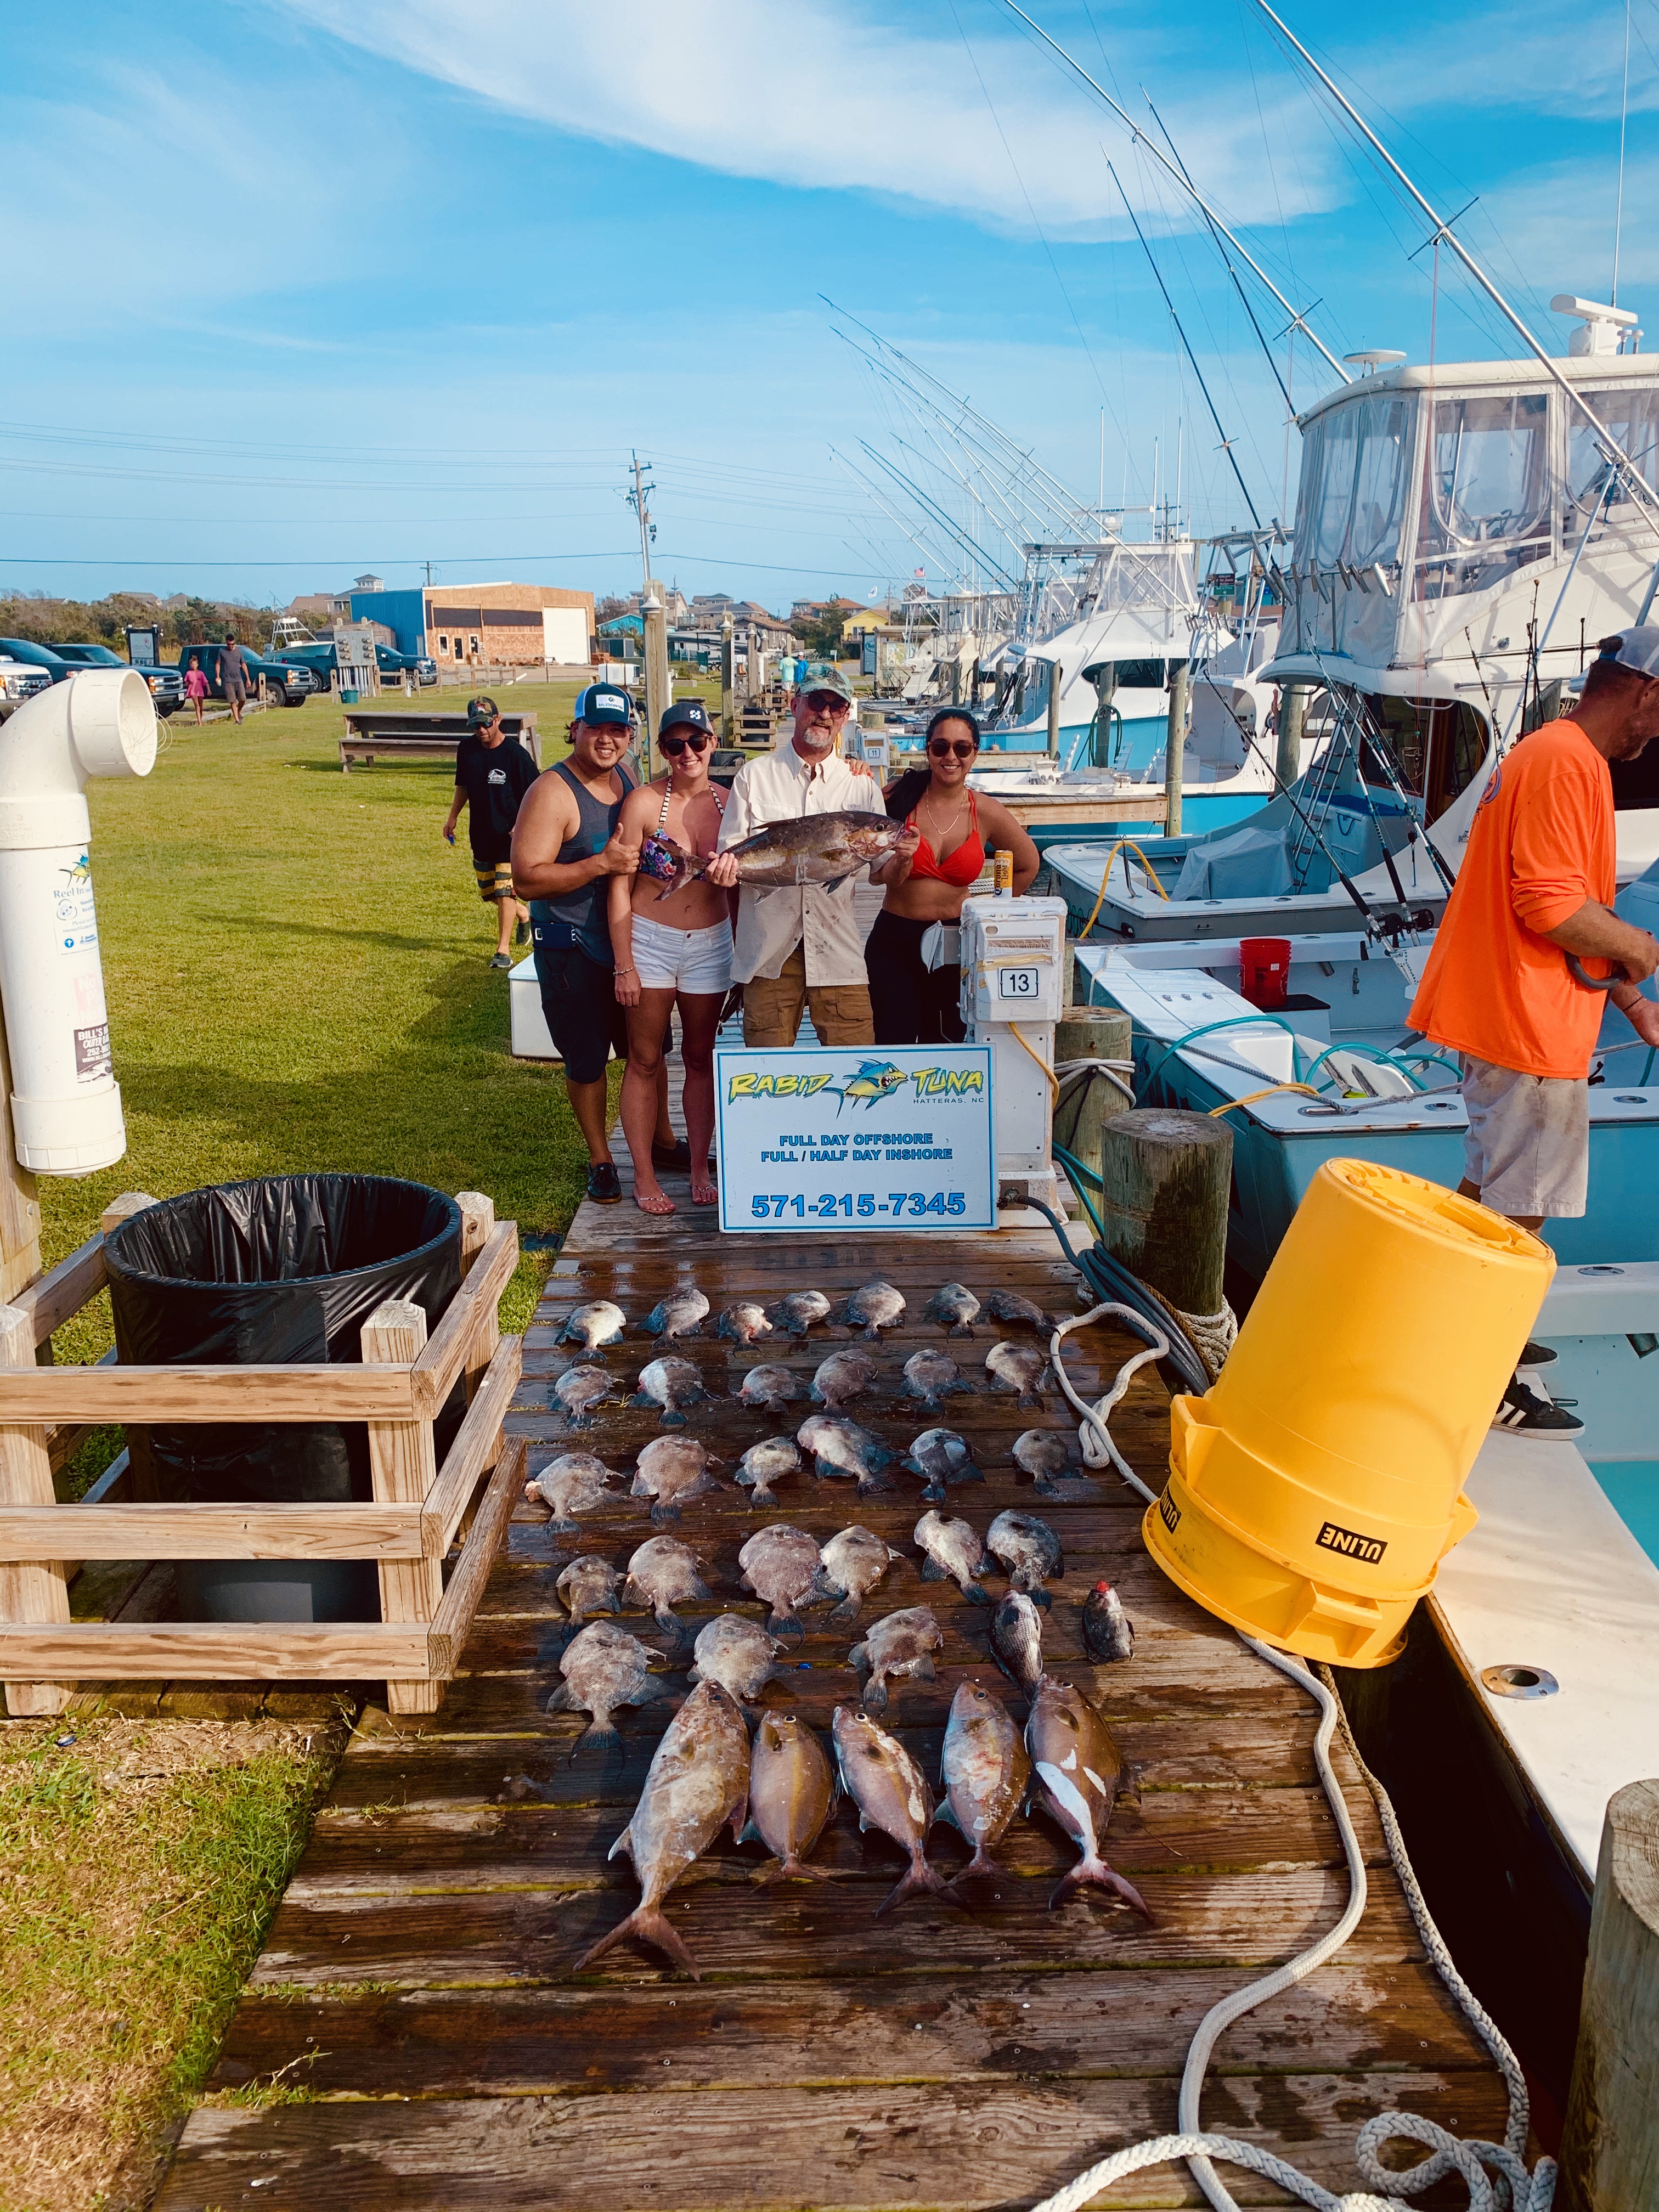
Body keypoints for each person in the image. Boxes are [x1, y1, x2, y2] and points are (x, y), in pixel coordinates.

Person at [1410, 629, 1659, 1435]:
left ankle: (1466, 1341)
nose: (1653, 737)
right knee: (1522, 1212)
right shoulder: (1566, 762)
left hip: (1511, 1014)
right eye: (1658, 719)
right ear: (1646, 692)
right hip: (1526, 1025)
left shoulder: (1550, 753)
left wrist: (1628, 1001)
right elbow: (1551, 908)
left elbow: (1563, 903)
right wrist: (1642, 950)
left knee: (1488, 1196)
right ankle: (1477, 1375)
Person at [711, 669, 918, 1046]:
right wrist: (723, 870)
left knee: (856, 1070)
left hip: (838, 950)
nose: (825, 713)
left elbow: (882, 875)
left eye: (836, 706)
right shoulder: (754, 777)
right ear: (795, 705)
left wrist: (903, 857)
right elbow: (731, 853)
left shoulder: (861, 785)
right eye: (816, 702)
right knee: (766, 1079)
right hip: (768, 951)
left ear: (845, 717)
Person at [510, 684, 645, 1204]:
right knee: (587, 1062)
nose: (607, 740)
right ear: (576, 729)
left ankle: (659, 1140)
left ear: (630, 736)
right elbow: (527, 879)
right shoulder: (552, 791)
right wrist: (598, 866)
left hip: (626, 945)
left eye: (618, 730)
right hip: (571, 951)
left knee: (644, 1053)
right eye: (597, 729)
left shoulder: (626, 779)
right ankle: (600, 1158)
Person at [609, 698, 734, 1214]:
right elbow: (619, 888)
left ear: (713, 744)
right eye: (674, 744)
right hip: (650, 941)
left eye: (697, 742)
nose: (687, 752)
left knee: (701, 1059)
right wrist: (625, 964)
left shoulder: (732, 803)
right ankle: (642, 1173)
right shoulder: (641, 803)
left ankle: (701, 1167)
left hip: (711, 943)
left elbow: (746, 888)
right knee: (644, 1059)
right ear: (661, 749)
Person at [868, 707, 1040, 1044]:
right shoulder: (898, 798)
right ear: (928, 750)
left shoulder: (985, 810)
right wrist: (855, 767)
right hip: (895, 942)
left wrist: (989, 914)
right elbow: (853, 811)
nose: (951, 756)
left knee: (947, 1045)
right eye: (940, 747)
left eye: (962, 748)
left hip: (958, 943)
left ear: (975, 752)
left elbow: (1028, 864)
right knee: (893, 1046)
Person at [443, 696, 535, 969]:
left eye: (486, 724)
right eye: (476, 726)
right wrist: (452, 817)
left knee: (506, 890)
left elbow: (536, 794)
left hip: (510, 838)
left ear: (498, 720)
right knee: (490, 893)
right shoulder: (467, 750)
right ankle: (523, 915)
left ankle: (503, 952)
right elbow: (463, 786)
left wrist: (522, 824)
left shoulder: (517, 755)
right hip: (481, 835)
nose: (482, 731)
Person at [220, 634, 249, 726]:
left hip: (238, 678)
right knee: (233, 701)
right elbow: (218, 664)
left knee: (243, 699)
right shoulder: (222, 651)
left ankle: (238, 712)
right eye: (229, 644)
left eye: (232, 644)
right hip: (228, 680)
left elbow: (243, 664)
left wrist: (248, 678)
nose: (230, 646)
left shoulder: (239, 652)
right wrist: (218, 676)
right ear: (226, 643)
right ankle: (237, 720)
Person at [184, 655, 208, 726]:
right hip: (193, 691)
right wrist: (188, 684)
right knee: (197, 706)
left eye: (195, 664)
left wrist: (209, 690)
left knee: (201, 706)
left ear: (197, 665)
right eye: (192, 664)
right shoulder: (188, 673)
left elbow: (206, 682)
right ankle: (200, 723)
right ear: (190, 665)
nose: (194, 666)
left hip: (200, 690)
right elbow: (186, 682)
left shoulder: (201, 673)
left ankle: (200, 719)